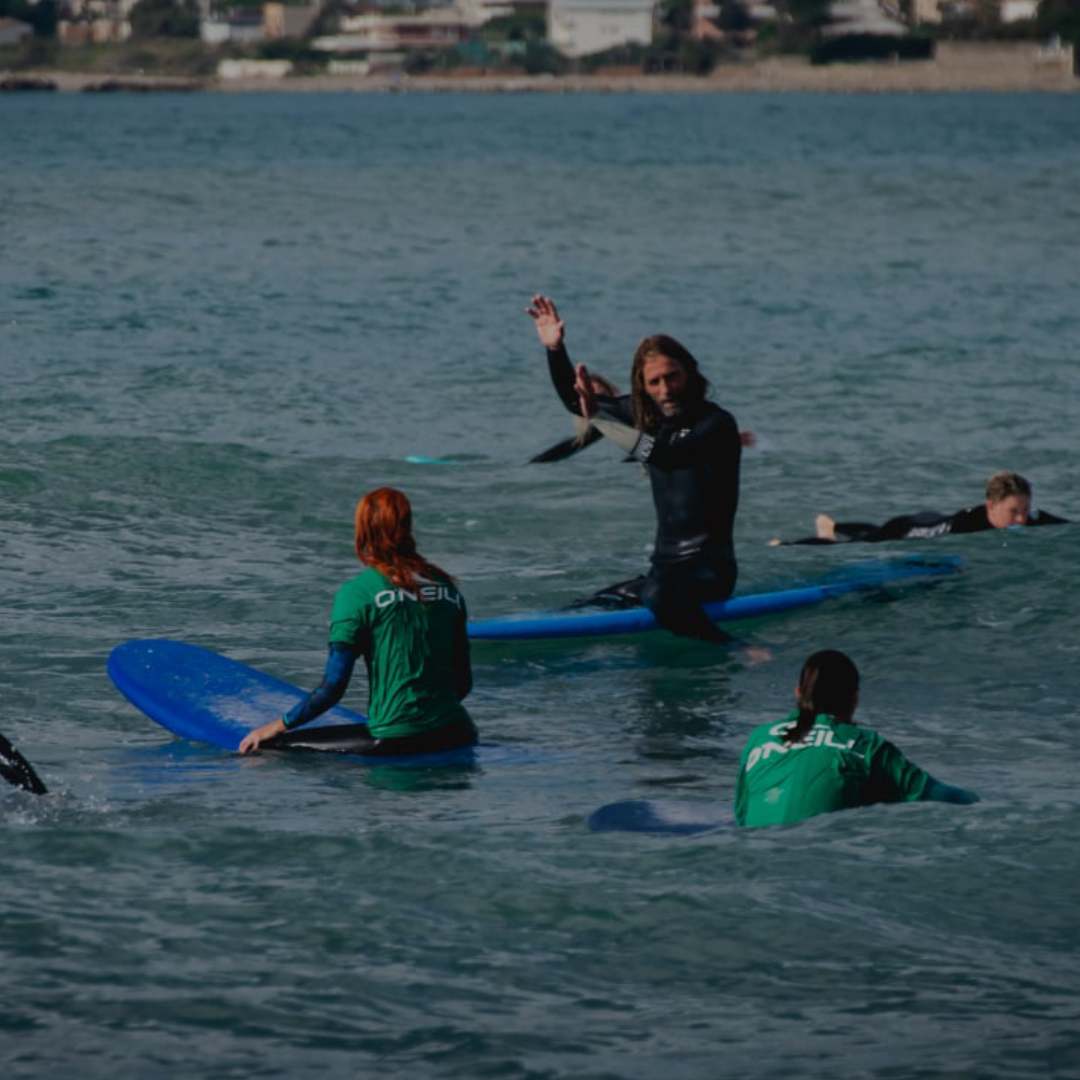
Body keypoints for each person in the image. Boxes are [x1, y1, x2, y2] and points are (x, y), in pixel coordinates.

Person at [526, 293, 742, 641]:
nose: (665, 390)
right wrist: (555, 350)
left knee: (658, 596)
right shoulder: (646, 415)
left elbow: (664, 454)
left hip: (709, 571)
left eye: (672, 377)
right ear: (642, 385)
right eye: (654, 382)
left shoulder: (715, 424)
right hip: (664, 570)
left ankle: (736, 646)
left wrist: (602, 420)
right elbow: (575, 401)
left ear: (690, 372)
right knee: (594, 601)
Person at [239, 487, 477, 757]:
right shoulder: (447, 588)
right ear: (408, 527)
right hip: (459, 733)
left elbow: (332, 689)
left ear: (363, 532)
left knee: (263, 752)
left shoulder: (358, 593)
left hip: (397, 741)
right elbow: (463, 682)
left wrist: (275, 726)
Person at [734, 649, 978, 828]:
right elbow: (944, 797)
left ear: (797, 693)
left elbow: (742, 816)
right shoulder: (866, 746)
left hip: (754, 864)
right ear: (855, 699)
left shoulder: (759, 737)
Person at [770, 471, 1068, 546]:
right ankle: (788, 543)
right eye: (1013, 511)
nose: (1022, 519)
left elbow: (1066, 527)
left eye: (1025, 510)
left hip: (928, 516)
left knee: (873, 530)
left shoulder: (1028, 521)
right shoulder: (968, 526)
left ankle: (833, 526)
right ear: (991, 505)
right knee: (867, 542)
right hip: (910, 529)